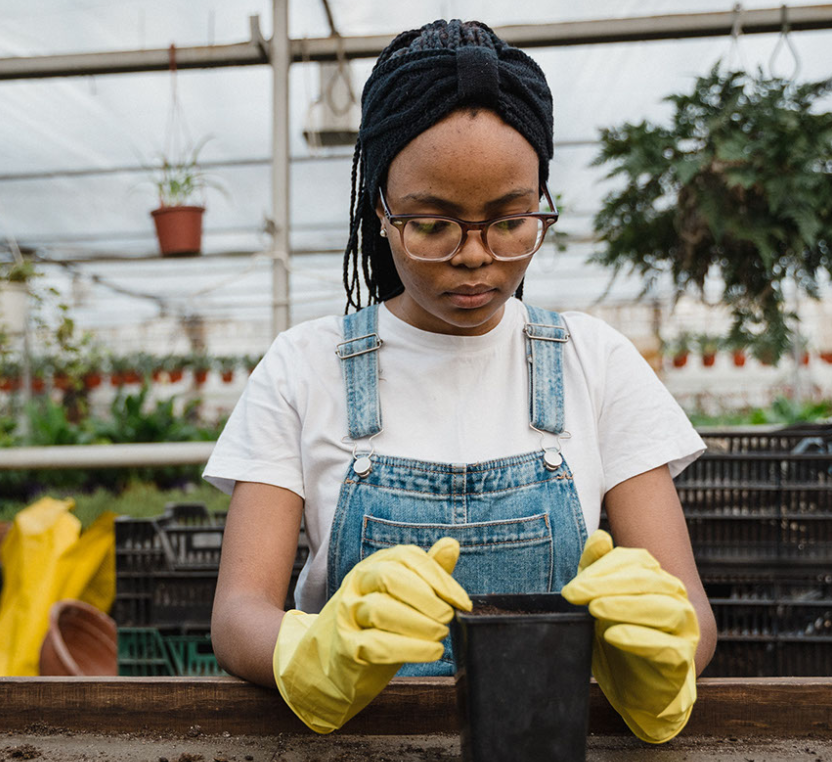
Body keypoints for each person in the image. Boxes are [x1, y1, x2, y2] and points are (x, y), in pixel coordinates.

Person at [204, 19, 715, 744]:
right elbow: (237, 615)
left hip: (548, 740)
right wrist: (310, 650)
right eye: (434, 225)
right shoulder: (303, 366)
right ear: (379, 210)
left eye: (510, 221)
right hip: (360, 743)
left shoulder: (593, 361)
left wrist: (659, 657)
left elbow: (690, 611)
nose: (476, 257)